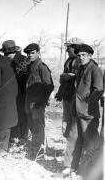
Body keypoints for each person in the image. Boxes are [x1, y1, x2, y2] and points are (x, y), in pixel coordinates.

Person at [68, 44, 103, 176]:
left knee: (90, 141)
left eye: (83, 55)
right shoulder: (81, 69)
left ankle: (92, 171)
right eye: (79, 55)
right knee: (73, 138)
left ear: (90, 56)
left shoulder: (94, 69)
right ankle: (71, 167)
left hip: (88, 113)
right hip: (77, 111)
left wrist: (88, 103)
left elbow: (99, 88)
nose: (81, 57)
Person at [54, 37, 83, 177]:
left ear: (76, 47)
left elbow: (79, 78)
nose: (67, 49)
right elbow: (64, 81)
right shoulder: (68, 60)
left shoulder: (80, 61)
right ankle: (69, 155)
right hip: (67, 97)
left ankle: (71, 161)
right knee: (67, 126)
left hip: (75, 99)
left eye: (69, 47)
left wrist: (67, 76)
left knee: (73, 129)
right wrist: (60, 93)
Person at [23, 43, 54, 158]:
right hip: (29, 101)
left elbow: (49, 86)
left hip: (37, 102)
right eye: (28, 53)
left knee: (38, 126)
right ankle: (36, 146)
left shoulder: (42, 67)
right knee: (32, 124)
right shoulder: (30, 66)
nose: (30, 55)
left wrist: (42, 100)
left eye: (32, 53)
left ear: (38, 53)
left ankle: (39, 151)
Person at [0, 40, 29, 141]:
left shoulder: (24, 60)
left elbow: (24, 80)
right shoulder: (8, 61)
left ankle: (23, 136)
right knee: (14, 114)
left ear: (11, 53)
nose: (5, 55)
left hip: (22, 92)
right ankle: (15, 136)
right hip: (13, 93)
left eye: (6, 54)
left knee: (22, 115)